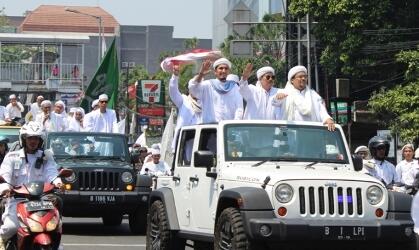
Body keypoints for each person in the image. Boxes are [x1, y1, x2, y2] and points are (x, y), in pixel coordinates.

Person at [0, 122, 63, 248]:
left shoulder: (46, 157)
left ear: (41, 140)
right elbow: (5, 174)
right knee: (10, 227)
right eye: (30, 138)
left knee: (54, 227)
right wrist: (5, 188)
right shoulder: (12, 157)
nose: (33, 141)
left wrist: (57, 182)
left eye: (36, 138)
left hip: (42, 201)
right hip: (17, 201)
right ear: (23, 139)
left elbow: (52, 172)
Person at [273, 66, 335, 131]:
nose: (303, 78)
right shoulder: (284, 93)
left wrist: (328, 119)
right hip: (291, 132)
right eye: (300, 77)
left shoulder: (313, 95)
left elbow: (321, 110)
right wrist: (278, 97)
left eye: (305, 77)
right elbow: (275, 102)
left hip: (310, 132)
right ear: (292, 80)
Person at [188, 58, 243, 123]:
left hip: (228, 127)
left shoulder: (234, 87)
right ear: (215, 72)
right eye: (221, 68)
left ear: (228, 72)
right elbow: (193, 89)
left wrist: (235, 123)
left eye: (226, 68)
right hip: (211, 128)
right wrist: (201, 74)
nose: (223, 71)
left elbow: (239, 107)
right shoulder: (208, 85)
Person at [169, 64, 202, 155]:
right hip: (184, 139)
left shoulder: (207, 101)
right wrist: (175, 76)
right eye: (194, 87)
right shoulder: (184, 100)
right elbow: (173, 92)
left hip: (202, 138)